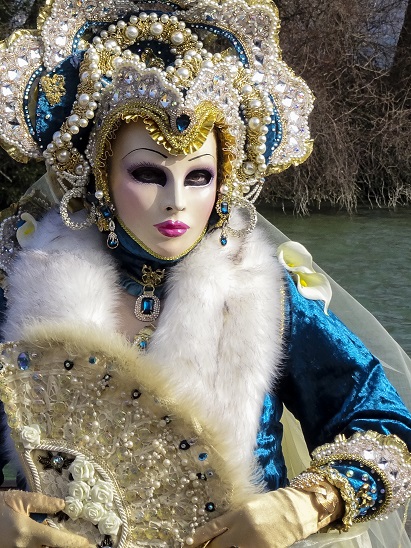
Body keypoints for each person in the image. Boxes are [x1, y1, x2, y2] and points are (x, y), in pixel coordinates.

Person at [0, 0, 410, 547]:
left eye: (198, 176)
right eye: (148, 173)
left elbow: (386, 428)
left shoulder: (265, 295)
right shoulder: (19, 284)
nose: (175, 203)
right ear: (99, 173)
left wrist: (304, 507)